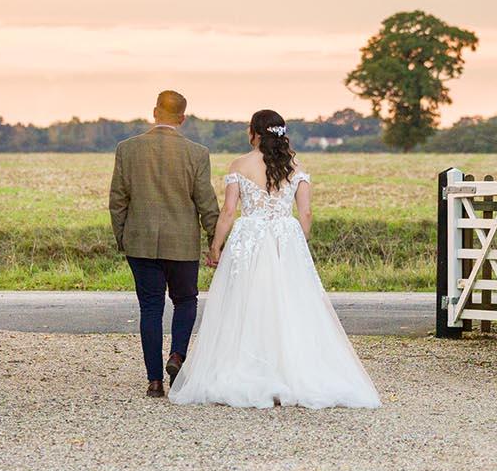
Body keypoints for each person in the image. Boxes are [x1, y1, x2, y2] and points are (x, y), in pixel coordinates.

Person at [168, 109, 381, 410]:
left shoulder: (240, 165)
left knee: (245, 302)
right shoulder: (296, 166)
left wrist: (216, 244)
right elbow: (305, 213)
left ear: (252, 132)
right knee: (289, 303)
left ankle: (247, 367)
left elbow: (229, 211)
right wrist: (297, 242)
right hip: (284, 239)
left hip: (249, 238)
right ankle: (291, 371)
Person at [108, 89, 220, 397]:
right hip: (182, 243)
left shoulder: (127, 149)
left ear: (155, 112)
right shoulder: (197, 153)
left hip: (140, 242)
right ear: (183, 118)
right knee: (185, 301)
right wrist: (216, 240)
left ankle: (154, 382)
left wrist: (123, 237)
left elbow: (118, 199)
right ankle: (177, 355)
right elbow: (206, 202)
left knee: (150, 308)